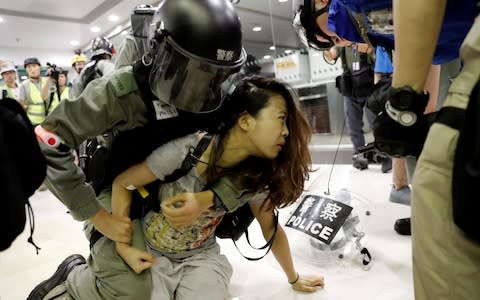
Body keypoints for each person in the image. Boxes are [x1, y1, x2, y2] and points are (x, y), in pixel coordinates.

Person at [28, 1, 250, 299]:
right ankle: (73, 279)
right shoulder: (120, 92)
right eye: (195, 73)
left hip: (176, 194)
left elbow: (258, 159)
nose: (203, 90)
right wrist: (98, 218)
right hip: (120, 193)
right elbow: (46, 141)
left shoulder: (226, 97)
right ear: (161, 52)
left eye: (216, 77)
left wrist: (212, 198)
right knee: (133, 290)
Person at [112, 76, 324, 299]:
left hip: (201, 257)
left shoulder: (255, 179)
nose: (286, 132)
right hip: (149, 249)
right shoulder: (187, 151)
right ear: (245, 121)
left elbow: (270, 229)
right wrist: (123, 247)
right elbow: (123, 183)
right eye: (281, 119)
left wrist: (294, 278)